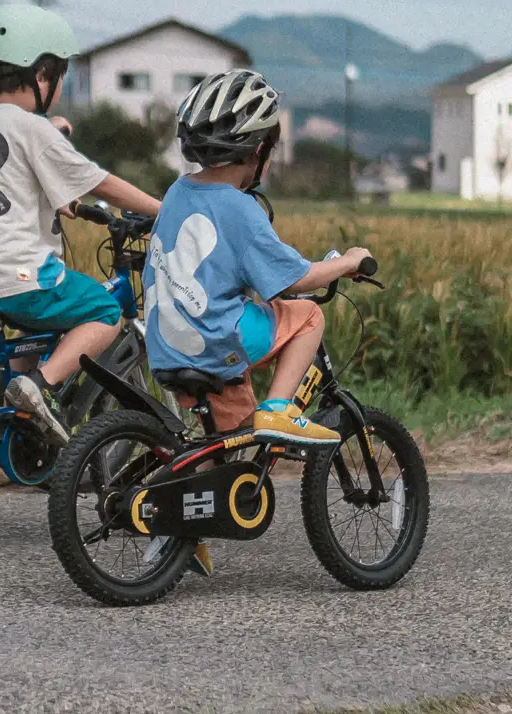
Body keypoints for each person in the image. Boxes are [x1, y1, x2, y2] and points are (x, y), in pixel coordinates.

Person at [0, 3, 162, 444]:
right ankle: (39, 385)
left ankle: (14, 427)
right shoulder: (33, 128)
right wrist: (163, 209)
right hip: (12, 272)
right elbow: (101, 183)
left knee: (33, 328)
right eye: (59, 75)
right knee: (104, 311)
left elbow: (10, 179)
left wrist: (62, 197)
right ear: (42, 74)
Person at [143, 69, 371, 445]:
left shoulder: (177, 191)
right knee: (308, 316)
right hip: (213, 340)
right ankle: (278, 409)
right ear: (257, 150)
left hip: (166, 344)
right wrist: (348, 261)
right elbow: (295, 279)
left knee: (230, 444)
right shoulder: (240, 207)